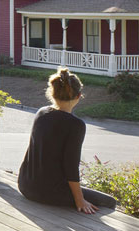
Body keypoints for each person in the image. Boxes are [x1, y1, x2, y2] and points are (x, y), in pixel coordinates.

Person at [17, 66, 117, 214]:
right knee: (110, 202)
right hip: (48, 193)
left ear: (52, 93)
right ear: (78, 96)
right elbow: (71, 166)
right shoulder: (75, 125)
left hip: (25, 185)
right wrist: (79, 200)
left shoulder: (41, 113)